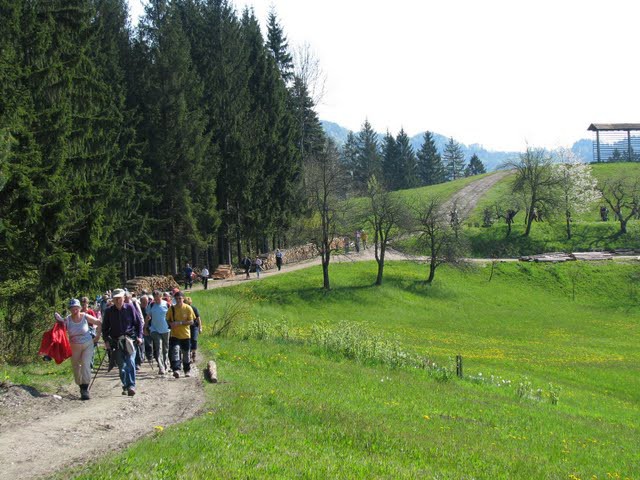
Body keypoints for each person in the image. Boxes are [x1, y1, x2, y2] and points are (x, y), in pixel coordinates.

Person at [56, 298, 102, 400]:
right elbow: (60, 329)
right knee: (76, 366)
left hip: (87, 344)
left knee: (86, 364)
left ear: (80, 308)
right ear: (70, 310)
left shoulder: (85, 316)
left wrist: (97, 336)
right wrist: (59, 321)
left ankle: (85, 389)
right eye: (72, 309)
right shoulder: (68, 320)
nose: (74, 311)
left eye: (76, 308)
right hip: (74, 346)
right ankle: (80, 386)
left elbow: (98, 322)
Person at [102, 288, 144, 396]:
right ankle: (125, 385)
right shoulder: (109, 311)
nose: (117, 301)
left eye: (119, 298)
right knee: (122, 366)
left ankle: (131, 386)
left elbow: (138, 323)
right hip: (116, 342)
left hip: (130, 340)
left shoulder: (130, 308)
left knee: (130, 362)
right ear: (113, 299)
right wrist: (106, 340)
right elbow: (105, 328)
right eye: (115, 299)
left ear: (124, 298)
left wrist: (139, 336)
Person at [166, 290, 195, 378]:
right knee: (175, 351)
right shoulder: (172, 309)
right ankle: (176, 369)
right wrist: (170, 324)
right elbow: (167, 319)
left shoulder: (188, 308)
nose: (178, 300)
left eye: (180, 298)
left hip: (185, 335)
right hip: (175, 334)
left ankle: (187, 370)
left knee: (186, 353)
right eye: (177, 299)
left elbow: (191, 321)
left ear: (183, 299)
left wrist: (180, 323)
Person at [147, 290, 170, 374]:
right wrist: (145, 327)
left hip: (166, 329)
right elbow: (148, 316)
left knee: (165, 348)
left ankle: (166, 364)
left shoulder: (167, 304)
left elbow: (171, 316)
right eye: (155, 299)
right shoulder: (152, 304)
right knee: (158, 348)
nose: (156, 300)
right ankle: (161, 367)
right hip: (154, 329)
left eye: (158, 298)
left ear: (161, 297)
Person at [184, 297, 202, 363]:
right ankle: (189, 355)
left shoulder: (194, 308)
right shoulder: (183, 309)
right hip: (186, 327)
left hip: (194, 326)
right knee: (188, 340)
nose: (187, 305)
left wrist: (200, 328)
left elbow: (198, 319)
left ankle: (194, 352)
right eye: (186, 303)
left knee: (194, 339)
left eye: (188, 303)